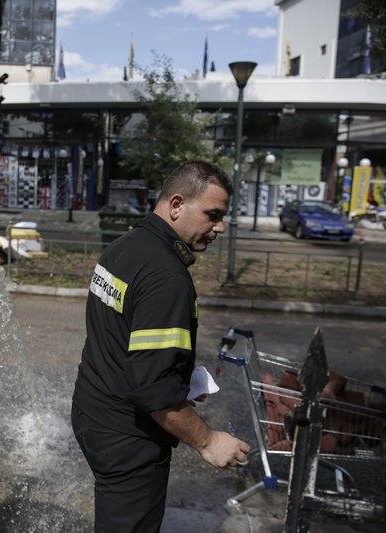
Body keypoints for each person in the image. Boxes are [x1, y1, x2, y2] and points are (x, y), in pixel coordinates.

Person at [71, 160, 250, 532]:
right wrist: (208, 441)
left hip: (94, 414)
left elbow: (119, 339)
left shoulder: (123, 247)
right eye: (212, 215)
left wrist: (180, 377)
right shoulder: (167, 276)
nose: (219, 227)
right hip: (129, 437)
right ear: (176, 205)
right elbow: (153, 390)